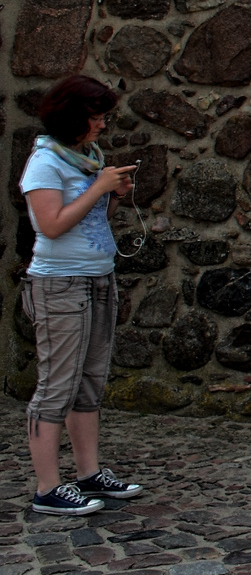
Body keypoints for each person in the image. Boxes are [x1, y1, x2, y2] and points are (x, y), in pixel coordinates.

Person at [20, 75, 145, 516]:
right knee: (56, 386)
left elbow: (93, 218)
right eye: (95, 118)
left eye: (104, 117)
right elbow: (51, 225)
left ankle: (89, 475)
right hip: (59, 285)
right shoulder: (44, 162)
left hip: (97, 278)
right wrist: (98, 187)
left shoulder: (87, 156)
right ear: (72, 117)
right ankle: (47, 488)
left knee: (90, 381)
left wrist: (114, 196)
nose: (102, 126)